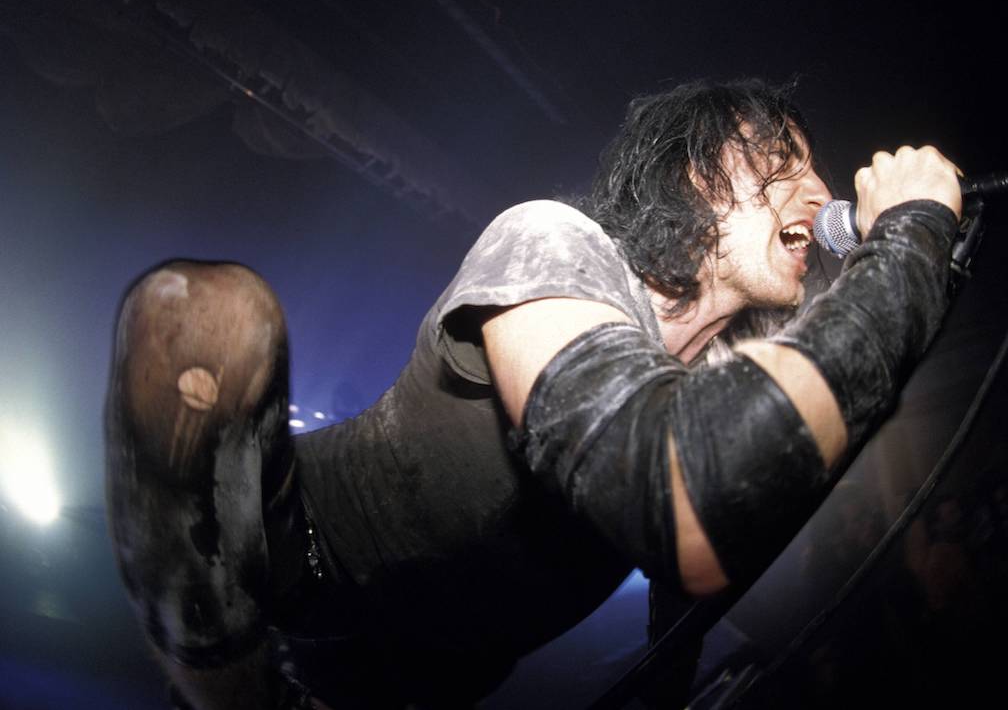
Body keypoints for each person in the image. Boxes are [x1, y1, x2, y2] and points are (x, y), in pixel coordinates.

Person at [104, 79, 962, 709]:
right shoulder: (556, 243)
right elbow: (675, 486)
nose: (821, 192)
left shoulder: (717, 380)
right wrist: (911, 239)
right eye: (784, 161)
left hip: (418, 681)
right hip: (294, 557)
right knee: (205, 312)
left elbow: (697, 567)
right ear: (697, 171)